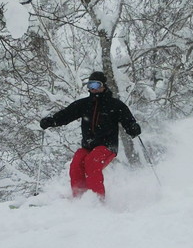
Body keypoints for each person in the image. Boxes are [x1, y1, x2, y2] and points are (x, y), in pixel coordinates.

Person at [40, 71, 142, 199]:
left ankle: (96, 200)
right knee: (77, 162)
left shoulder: (115, 105)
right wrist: (51, 121)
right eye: (90, 85)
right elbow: (66, 115)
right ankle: (80, 198)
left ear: (104, 86)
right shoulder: (84, 104)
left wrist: (133, 128)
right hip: (88, 146)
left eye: (96, 85)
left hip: (107, 146)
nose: (93, 89)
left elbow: (128, 120)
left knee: (91, 162)